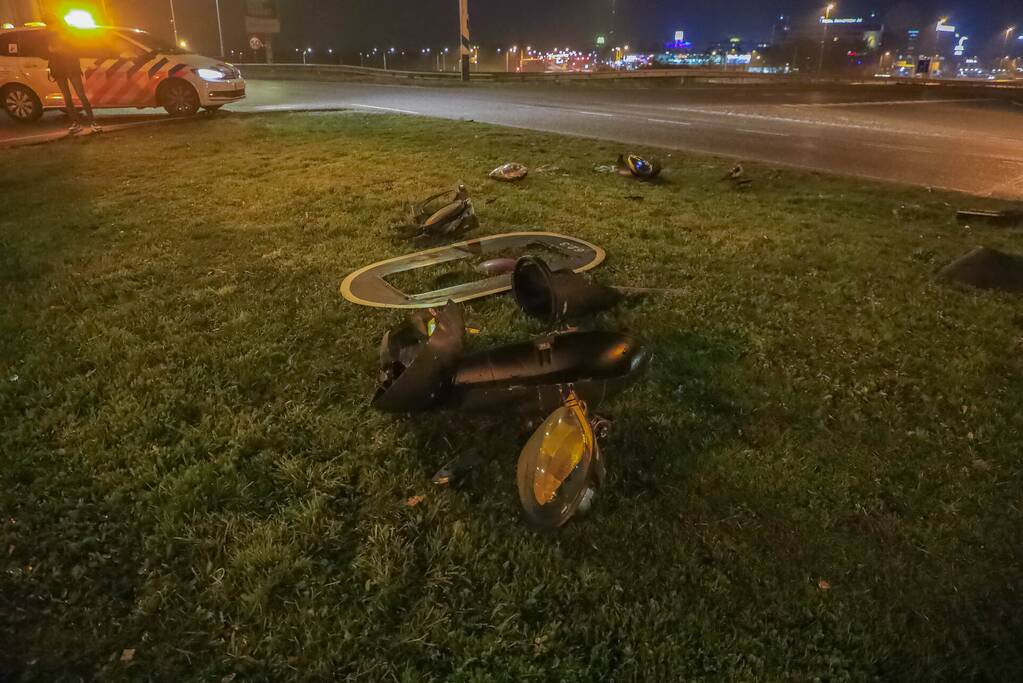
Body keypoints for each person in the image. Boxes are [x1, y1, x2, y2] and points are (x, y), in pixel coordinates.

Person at [47, 27, 101, 135]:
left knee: (80, 95)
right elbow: (48, 51)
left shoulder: (68, 37)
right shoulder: (52, 36)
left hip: (70, 68)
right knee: (68, 97)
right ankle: (78, 123)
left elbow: (74, 50)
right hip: (59, 69)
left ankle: (91, 122)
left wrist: (57, 49)